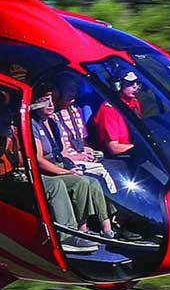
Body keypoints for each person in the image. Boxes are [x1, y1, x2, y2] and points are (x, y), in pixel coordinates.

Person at [30, 76, 115, 250]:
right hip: (45, 170)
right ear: (36, 103)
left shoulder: (53, 124)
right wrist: (65, 172)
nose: (51, 105)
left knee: (90, 181)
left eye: (52, 100)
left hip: (59, 164)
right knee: (68, 183)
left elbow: (61, 153)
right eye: (45, 101)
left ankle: (102, 228)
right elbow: (38, 160)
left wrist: (73, 163)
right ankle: (70, 234)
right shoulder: (33, 125)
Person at [90, 69, 144, 158]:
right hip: (119, 158)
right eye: (130, 84)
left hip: (133, 149)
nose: (135, 87)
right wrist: (142, 148)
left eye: (137, 83)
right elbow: (113, 148)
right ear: (118, 86)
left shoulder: (134, 103)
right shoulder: (108, 110)